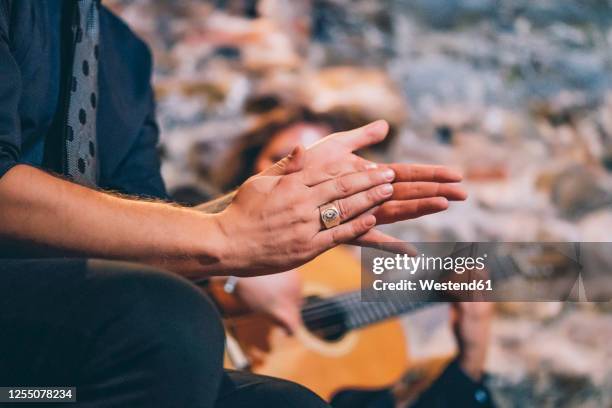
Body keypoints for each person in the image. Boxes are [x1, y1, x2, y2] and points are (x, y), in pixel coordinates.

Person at [0, 1, 466, 407]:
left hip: (84, 333)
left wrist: (257, 223)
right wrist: (226, 244)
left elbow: (148, 239)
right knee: (165, 318)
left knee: (286, 403)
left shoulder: (127, 55)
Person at [215, 111, 494, 407]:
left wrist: (471, 359)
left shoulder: (343, 276)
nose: (299, 178)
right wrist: (228, 271)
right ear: (251, 165)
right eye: (282, 160)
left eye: (322, 169)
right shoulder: (191, 209)